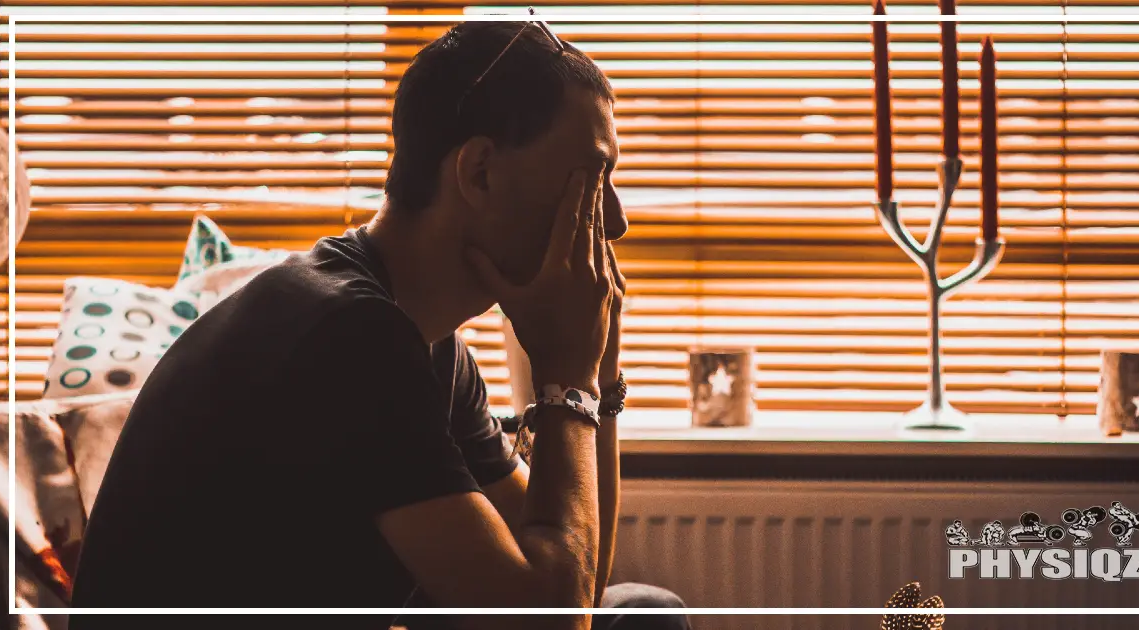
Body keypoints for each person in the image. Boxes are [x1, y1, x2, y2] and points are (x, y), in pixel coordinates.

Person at [69, 18, 691, 630]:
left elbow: (574, 577)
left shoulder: (429, 341)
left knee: (640, 614)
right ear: (478, 173)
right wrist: (566, 376)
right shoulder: (348, 335)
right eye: (591, 178)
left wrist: (597, 376)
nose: (615, 221)